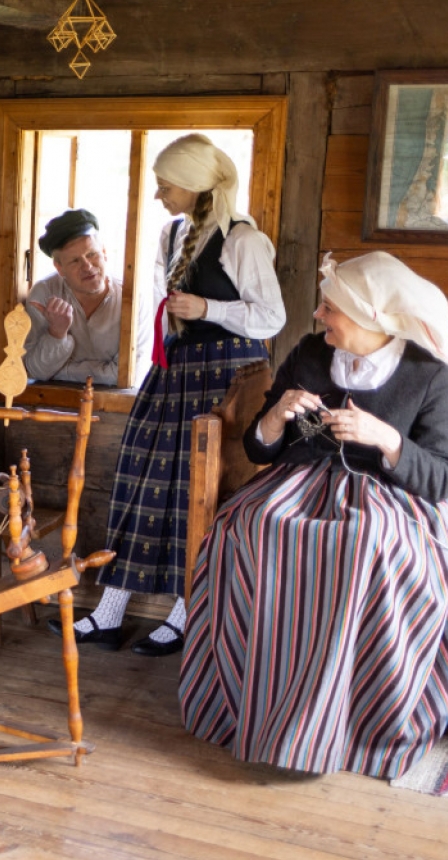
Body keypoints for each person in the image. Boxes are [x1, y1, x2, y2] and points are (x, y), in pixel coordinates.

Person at [179, 251, 448, 778]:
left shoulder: (426, 375)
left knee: (361, 543)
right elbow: (257, 450)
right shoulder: (311, 354)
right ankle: (257, 706)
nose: (319, 316)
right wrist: (274, 416)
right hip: (296, 483)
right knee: (249, 525)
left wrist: (386, 439)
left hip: (387, 495)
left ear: (370, 317)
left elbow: (442, 478)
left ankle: (343, 722)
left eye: (329, 308)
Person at [52, 133, 285, 656]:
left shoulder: (243, 240)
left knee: (193, 495)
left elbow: (272, 318)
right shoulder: (171, 233)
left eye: (165, 185)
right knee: (138, 479)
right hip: (174, 371)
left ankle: (185, 613)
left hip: (227, 375)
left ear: (196, 184)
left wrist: (208, 310)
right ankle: (111, 612)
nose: (158, 195)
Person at [23, 209, 124, 385]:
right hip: (52, 406)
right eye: (75, 261)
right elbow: (33, 370)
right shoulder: (44, 294)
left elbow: (124, 374)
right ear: (59, 268)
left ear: (105, 252)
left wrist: (61, 372)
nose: (87, 266)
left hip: (115, 406)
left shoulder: (130, 298)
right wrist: (56, 334)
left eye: (92, 254)